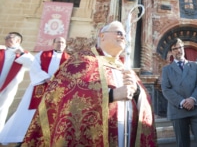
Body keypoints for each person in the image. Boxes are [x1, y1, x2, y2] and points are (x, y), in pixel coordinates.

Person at [22, 21, 157, 146]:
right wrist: (111, 94)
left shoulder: (125, 67)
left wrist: (137, 92)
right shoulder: (81, 60)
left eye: (125, 35)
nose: (123, 37)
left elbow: (144, 100)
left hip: (129, 133)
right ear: (102, 36)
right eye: (119, 33)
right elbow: (63, 92)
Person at [0, 37, 69, 145]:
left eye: (62, 42)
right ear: (53, 43)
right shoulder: (42, 54)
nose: (60, 44)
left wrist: (57, 82)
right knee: (30, 112)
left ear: (65, 45)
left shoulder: (69, 58)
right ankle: (23, 137)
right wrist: (45, 77)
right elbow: (34, 67)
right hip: (40, 86)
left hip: (57, 89)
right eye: (58, 42)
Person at [161, 38, 197, 147]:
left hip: (196, 109)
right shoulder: (167, 70)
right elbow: (166, 89)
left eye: (180, 47)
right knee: (183, 143)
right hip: (178, 110)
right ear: (171, 52)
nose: (178, 50)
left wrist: (192, 99)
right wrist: (182, 101)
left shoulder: (194, 66)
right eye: (175, 48)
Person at [0, 32, 34, 132]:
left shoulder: (24, 54)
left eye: (9, 37)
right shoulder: (2, 49)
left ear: (18, 41)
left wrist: (22, 53)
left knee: (2, 108)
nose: (6, 39)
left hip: (8, 87)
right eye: (6, 37)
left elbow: (33, 65)